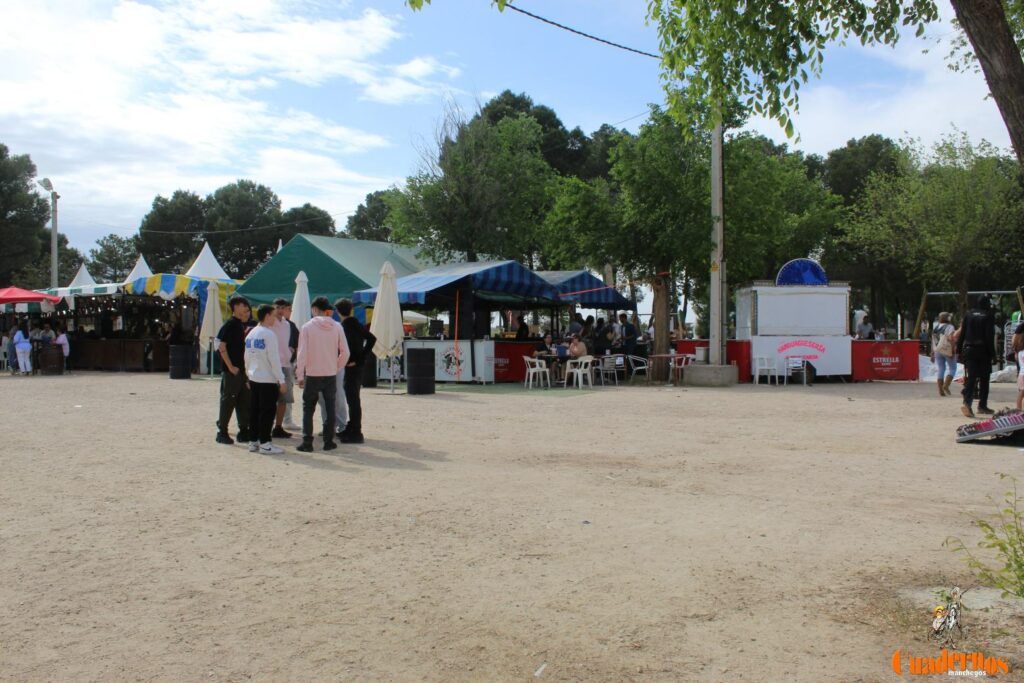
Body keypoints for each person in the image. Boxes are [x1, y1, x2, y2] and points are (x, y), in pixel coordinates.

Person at [295, 296, 350, 453]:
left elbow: (302, 353)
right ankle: (328, 441)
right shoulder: (337, 326)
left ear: (314, 309)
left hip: (312, 373)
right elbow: (345, 352)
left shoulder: (307, 327)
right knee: (330, 406)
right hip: (330, 373)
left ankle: (307, 442)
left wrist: (300, 374)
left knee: (308, 408)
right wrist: (336, 367)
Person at [244, 304, 286, 455]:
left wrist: (248, 375)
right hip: (267, 379)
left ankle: (253, 441)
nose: (275, 318)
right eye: (274, 315)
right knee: (267, 412)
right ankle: (265, 443)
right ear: (267, 316)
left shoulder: (251, 333)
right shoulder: (269, 334)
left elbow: (246, 357)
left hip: (254, 377)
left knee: (254, 411)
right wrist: (281, 380)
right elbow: (274, 360)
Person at [336, 298, 376, 444]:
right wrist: (362, 358)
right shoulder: (357, 324)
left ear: (338, 312)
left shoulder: (344, 326)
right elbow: (372, 339)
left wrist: (357, 359)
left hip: (350, 365)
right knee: (353, 398)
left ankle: (356, 431)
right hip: (357, 365)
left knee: (352, 399)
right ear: (351, 309)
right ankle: (352, 427)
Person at [215, 296, 253, 445]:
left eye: (246, 306)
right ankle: (222, 432)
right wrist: (230, 367)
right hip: (232, 371)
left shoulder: (240, 326)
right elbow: (221, 346)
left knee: (244, 400)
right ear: (235, 307)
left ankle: (244, 430)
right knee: (228, 400)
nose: (246, 309)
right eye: (243, 305)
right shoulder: (230, 325)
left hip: (242, 371)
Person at [957, 295, 996, 418]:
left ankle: (967, 403)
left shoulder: (968, 315)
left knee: (971, 378)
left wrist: (958, 350)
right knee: (984, 379)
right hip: (983, 351)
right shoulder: (988, 316)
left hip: (969, 350)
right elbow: (989, 337)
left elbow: (962, 333)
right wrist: (993, 354)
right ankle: (982, 405)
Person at [316, 301, 348, 440]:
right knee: (325, 398)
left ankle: (339, 425)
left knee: (332, 396)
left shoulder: (336, 327)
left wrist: (338, 366)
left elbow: (344, 351)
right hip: (326, 367)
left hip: (327, 367)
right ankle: (329, 425)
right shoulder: (336, 326)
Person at [270, 298, 300, 437]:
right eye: (278, 307)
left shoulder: (288, 325)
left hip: (286, 364)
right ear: (273, 307)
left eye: (283, 307)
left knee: (284, 399)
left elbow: (295, 342)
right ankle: (267, 425)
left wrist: (291, 354)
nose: (280, 310)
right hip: (270, 365)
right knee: (269, 398)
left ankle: (278, 426)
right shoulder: (269, 323)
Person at [931, 312, 957, 397]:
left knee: (941, 368)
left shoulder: (936, 327)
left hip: (937, 350)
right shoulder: (950, 327)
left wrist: (932, 353)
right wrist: (953, 350)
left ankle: (940, 390)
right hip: (947, 349)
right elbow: (951, 339)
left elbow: (933, 340)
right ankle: (946, 385)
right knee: (953, 368)